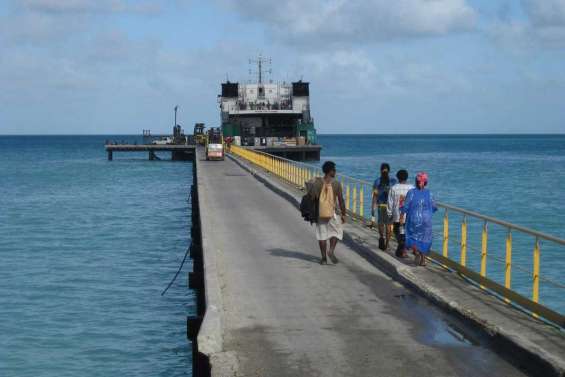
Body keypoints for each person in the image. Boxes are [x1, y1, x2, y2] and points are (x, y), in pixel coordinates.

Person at [308, 161, 346, 265]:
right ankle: (331, 250)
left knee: (322, 235)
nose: (335, 172)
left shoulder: (318, 182)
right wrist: (343, 214)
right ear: (330, 171)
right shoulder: (336, 184)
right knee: (336, 231)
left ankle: (324, 259)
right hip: (333, 213)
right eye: (334, 170)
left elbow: (312, 197)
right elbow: (341, 200)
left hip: (321, 212)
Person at [401, 172, 438, 266]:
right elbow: (434, 207)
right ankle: (423, 260)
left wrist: (402, 216)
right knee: (425, 239)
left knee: (413, 237)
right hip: (426, 221)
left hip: (414, 220)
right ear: (426, 182)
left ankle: (416, 252)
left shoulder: (411, 192)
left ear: (416, 181)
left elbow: (405, 206)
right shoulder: (430, 193)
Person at [387, 169, 414, 258]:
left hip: (397, 216)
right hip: (409, 216)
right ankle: (403, 249)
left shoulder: (393, 188)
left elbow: (390, 203)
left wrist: (389, 214)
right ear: (407, 177)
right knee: (407, 233)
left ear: (398, 178)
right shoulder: (412, 188)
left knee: (398, 232)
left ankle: (402, 249)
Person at [372, 163, 397, 250]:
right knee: (389, 225)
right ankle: (387, 243)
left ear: (380, 171)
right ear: (389, 171)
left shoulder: (377, 181)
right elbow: (395, 194)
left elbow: (375, 195)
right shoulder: (393, 181)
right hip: (390, 206)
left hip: (380, 205)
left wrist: (373, 207)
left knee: (381, 223)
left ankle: (382, 237)